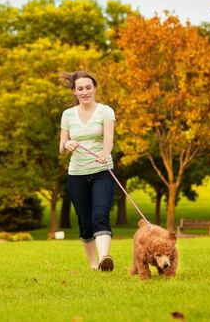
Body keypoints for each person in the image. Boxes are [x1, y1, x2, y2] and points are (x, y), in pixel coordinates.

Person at [59, 71, 116, 272]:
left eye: (88, 87)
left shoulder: (105, 111)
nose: (85, 92)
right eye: (80, 89)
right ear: (74, 92)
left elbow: (109, 138)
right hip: (77, 175)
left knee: (100, 214)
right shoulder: (67, 115)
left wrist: (105, 153)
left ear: (95, 88)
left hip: (102, 171)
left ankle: (104, 258)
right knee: (84, 221)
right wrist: (68, 144)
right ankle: (94, 265)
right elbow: (61, 148)